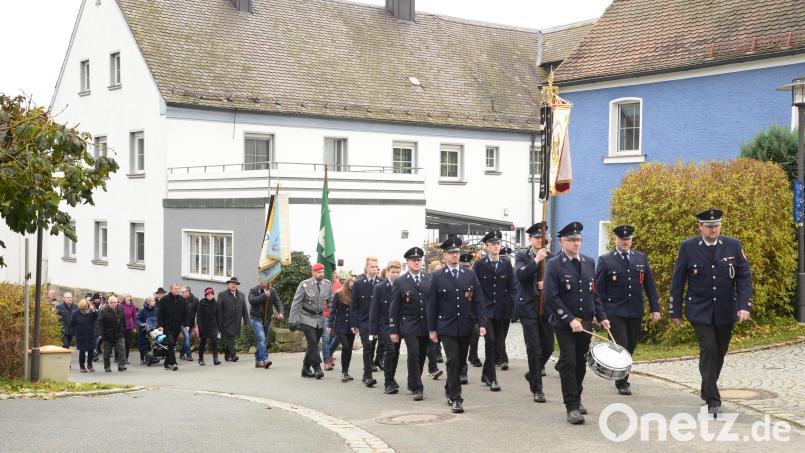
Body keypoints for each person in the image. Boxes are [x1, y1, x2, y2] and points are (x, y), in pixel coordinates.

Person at [670, 208, 752, 416]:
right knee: (709, 349)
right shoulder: (688, 247)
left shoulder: (733, 245)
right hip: (700, 309)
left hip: (725, 310)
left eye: (717, 225)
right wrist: (675, 311)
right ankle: (713, 400)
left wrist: (744, 306)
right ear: (700, 227)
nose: (714, 229)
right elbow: (678, 281)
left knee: (720, 351)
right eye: (709, 226)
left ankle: (707, 388)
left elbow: (743, 277)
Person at [544, 221, 610, 425]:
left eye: (579, 240)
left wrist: (602, 316)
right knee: (569, 361)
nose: (576, 244)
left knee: (581, 363)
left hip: (586, 324)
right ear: (562, 242)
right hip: (564, 323)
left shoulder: (589, 262)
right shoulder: (555, 264)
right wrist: (570, 319)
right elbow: (551, 297)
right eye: (572, 240)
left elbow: (594, 294)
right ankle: (571, 406)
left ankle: (577, 397)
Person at [595, 224, 661, 395]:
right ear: (615, 239)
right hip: (615, 311)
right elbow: (598, 290)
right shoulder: (606, 260)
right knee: (622, 344)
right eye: (622, 239)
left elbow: (650, 285)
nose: (625, 242)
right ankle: (622, 381)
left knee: (631, 344)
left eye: (628, 239)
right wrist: (599, 313)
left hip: (635, 310)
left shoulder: (640, 258)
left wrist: (655, 308)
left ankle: (622, 372)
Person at [426, 237, 487, 414]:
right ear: (445, 255)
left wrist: (482, 323)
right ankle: (456, 398)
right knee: (452, 360)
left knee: (460, 362)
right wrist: (431, 329)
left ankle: (449, 386)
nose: (455, 256)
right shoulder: (437, 276)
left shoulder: (469, 274)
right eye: (452, 253)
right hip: (446, 325)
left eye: (457, 253)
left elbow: (478, 300)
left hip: (466, 325)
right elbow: (432, 305)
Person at [389, 247, 434, 401]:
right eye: (413, 260)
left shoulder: (429, 278)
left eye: (418, 260)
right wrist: (393, 329)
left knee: (421, 354)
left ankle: (412, 380)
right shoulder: (400, 281)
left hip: (425, 324)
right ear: (407, 262)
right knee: (413, 353)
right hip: (408, 324)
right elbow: (394, 307)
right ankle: (417, 387)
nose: (416, 262)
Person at [473, 230, 515, 392]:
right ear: (487, 246)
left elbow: (512, 287)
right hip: (486, 311)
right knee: (490, 341)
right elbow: (475, 289)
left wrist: (512, 307)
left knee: (498, 343)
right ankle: (492, 378)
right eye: (493, 244)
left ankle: (486, 373)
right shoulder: (480, 264)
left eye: (498, 244)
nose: (496, 246)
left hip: (503, 310)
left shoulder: (506, 263)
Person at [515, 222, 551, 403]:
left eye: (542, 238)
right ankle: (537, 388)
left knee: (548, 348)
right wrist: (536, 260)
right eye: (537, 238)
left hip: (546, 308)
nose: (539, 241)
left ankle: (533, 371)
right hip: (528, 307)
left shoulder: (551, 257)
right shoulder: (522, 256)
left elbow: (557, 280)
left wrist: (548, 285)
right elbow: (520, 276)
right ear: (530, 239)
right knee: (534, 349)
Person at [289, 263, 334, 379]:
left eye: (323, 272)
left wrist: (332, 319)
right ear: (313, 272)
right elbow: (296, 302)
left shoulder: (328, 285)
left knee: (312, 345)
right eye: (319, 272)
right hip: (306, 317)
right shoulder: (304, 285)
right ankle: (317, 367)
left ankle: (305, 369)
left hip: (320, 318)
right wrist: (292, 320)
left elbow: (331, 303)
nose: (321, 274)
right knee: (313, 342)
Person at [370, 260, 402, 395]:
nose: (395, 274)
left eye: (398, 272)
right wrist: (373, 331)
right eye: (393, 272)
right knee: (390, 350)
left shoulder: (403, 285)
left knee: (396, 353)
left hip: (399, 325)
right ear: (387, 272)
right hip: (384, 325)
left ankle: (391, 376)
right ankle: (388, 382)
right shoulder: (379, 287)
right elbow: (374, 310)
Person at [351, 257, 383, 387]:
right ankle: (369, 376)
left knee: (372, 347)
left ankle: (365, 374)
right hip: (364, 322)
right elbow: (354, 305)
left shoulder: (382, 282)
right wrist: (354, 323)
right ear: (366, 268)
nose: (375, 269)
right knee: (368, 346)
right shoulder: (358, 284)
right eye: (372, 267)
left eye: (376, 267)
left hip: (377, 322)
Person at [248, 281, 285, 369]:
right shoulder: (253, 290)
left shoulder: (272, 290)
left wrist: (280, 312)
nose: (264, 282)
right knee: (262, 339)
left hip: (267, 320)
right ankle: (266, 359)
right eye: (262, 280)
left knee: (263, 340)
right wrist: (264, 295)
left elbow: (278, 302)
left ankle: (258, 361)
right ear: (259, 280)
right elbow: (252, 301)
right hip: (256, 319)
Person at [328, 275, 355, 382]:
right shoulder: (339, 294)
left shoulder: (355, 295)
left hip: (352, 326)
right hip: (340, 325)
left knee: (349, 350)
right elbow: (333, 310)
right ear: (347, 283)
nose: (353, 285)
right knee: (346, 347)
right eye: (351, 283)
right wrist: (330, 325)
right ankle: (343, 373)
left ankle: (346, 371)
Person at [218, 277, 249, 362]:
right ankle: (233, 355)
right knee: (230, 337)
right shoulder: (222, 295)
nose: (233, 285)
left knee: (231, 338)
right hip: (226, 322)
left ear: (237, 285)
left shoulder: (242, 295)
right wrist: (219, 323)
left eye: (235, 284)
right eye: (232, 283)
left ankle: (227, 356)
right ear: (228, 284)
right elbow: (219, 311)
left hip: (236, 322)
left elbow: (244, 309)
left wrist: (247, 321)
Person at [157, 283, 188, 371]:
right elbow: (160, 314)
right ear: (171, 290)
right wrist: (160, 325)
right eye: (175, 289)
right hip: (167, 326)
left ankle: (166, 363)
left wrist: (186, 325)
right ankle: (173, 363)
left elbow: (185, 313)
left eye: (178, 289)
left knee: (172, 344)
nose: (177, 290)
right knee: (170, 343)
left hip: (176, 326)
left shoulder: (182, 300)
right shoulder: (165, 300)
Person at [96, 296, 127, 372]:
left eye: (115, 302)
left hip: (119, 334)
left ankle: (121, 365)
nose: (113, 304)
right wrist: (100, 333)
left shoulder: (120, 309)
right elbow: (99, 323)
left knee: (122, 349)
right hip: (107, 335)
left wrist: (123, 330)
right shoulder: (103, 311)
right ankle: (107, 366)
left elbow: (123, 321)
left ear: (117, 303)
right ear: (108, 303)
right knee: (107, 352)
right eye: (111, 303)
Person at [70, 299, 98, 372]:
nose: (87, 307)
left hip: (91, 335)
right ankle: (82, 366)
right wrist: (75, 333)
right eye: (85, 306)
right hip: (81, 336)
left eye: (88, 306)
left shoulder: (91, 312)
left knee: (91, 351)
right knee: (82, 351)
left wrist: (94, 310)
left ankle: (90, 365)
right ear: (81, 306)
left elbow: (97, 317)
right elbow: (72, 324)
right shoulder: (76, 313)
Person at [196, 287, 221, 366]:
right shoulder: (202, 302)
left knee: (214, 341)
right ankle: (200, 358)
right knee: (203, 342)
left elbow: (218, 316)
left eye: (211, 294)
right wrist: (199, 326)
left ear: (213, 295)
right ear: (205, 295)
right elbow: (199, 316)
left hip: (213, 326)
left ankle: (215, 359)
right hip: (203, 326)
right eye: (208, 294)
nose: (210, 295)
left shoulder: (215, 303)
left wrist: (219, 327)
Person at [136, 296, 158, 364]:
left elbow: (159, 318)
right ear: (148, 302)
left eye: (154, 301)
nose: (154, 302)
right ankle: (142, 359)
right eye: (152, 301)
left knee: (154, 343)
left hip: (153, 329)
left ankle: (152, 358)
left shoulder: (156, 310)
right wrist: (141, 324)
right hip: (143, 329)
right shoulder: (142, 310)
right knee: (143, 344)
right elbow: (137, 319)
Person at [178, 287, 197, 361]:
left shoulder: (195, 300)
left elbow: (197, 312)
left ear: (188, 292)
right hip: (182, 322)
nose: (181, 293)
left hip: (190, 323)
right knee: (186, 336)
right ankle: (189, 355)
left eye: (183, 292)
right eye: (181, 292)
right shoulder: (179, 300)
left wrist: (196, 323)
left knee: (186, 338)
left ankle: (182, 354)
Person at [119, 294, 138, 365]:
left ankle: (126, 358)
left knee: (127, 343)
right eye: (127, 296)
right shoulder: (120, 305)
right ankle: (119, 357)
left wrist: (135, 327)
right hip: (121, 326)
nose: (128, 297)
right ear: (124, 297)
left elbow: (134, 317)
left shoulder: (132, 306)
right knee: (120, 342)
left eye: (129, 296)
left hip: (128, 326)